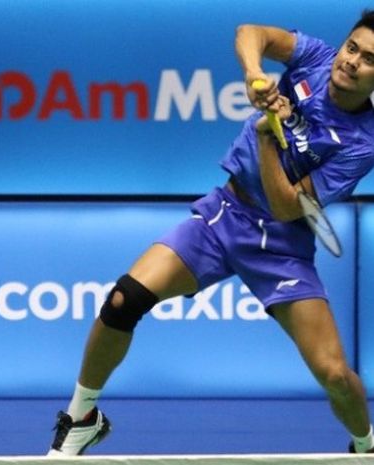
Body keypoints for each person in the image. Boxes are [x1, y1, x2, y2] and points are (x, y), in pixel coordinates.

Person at [47, 11, 374, 456]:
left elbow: (284, 206)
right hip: (226, 213)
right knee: (124, 300)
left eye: (369, 60)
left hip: (282, 245)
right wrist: (256, 74)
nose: (352, 61)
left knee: (335, 376)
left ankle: (365, 445)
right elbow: (249, 33)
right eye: (352, 47)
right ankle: (82, 418)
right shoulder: (317, 58)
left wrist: (266, 135)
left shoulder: (361, 143)